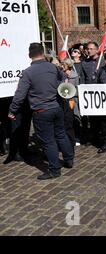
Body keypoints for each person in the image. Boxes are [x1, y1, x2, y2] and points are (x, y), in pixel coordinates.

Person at [9, 43, 74, 180]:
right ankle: (69, 160)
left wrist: (12, 110)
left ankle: (54, 170)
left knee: (48, 141)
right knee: (61, 134)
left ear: (29, 55)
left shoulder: (28, 72)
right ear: (43, 53)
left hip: (41, 110)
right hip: (56, 108)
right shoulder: (53, 67)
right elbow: (63, 80)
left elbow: (20, 95)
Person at [79, 42, 104, 145]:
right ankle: (94, 137)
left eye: (91, 49)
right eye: (87, 49)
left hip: (102, 93)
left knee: (102, 118)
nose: (89, 51)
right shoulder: (84, 63)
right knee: (92, 118)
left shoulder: (103, 61)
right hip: (90, 94)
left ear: (97, 49)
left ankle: (104, 137)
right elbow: (83, 79)